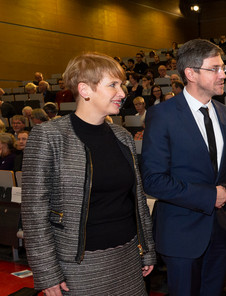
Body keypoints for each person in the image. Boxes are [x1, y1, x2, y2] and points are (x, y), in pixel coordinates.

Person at [21, 52, 156, 295]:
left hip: (128, 257)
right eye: (113, 85)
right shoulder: (48, 137)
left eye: (122, 85)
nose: (123, 93)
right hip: (78, 265)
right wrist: (47, 272)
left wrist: (146, 249)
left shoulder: (122, 137)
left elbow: (137, 200)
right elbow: (34, 213)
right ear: (85, 90)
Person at [141, 39, 226, 296]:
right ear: (191, 73)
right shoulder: (162, 115)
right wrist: (209, 196)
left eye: (223, 68)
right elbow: (153, 179)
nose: (223, 74)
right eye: (215, 69)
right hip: (181, 235)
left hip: (221, 232)